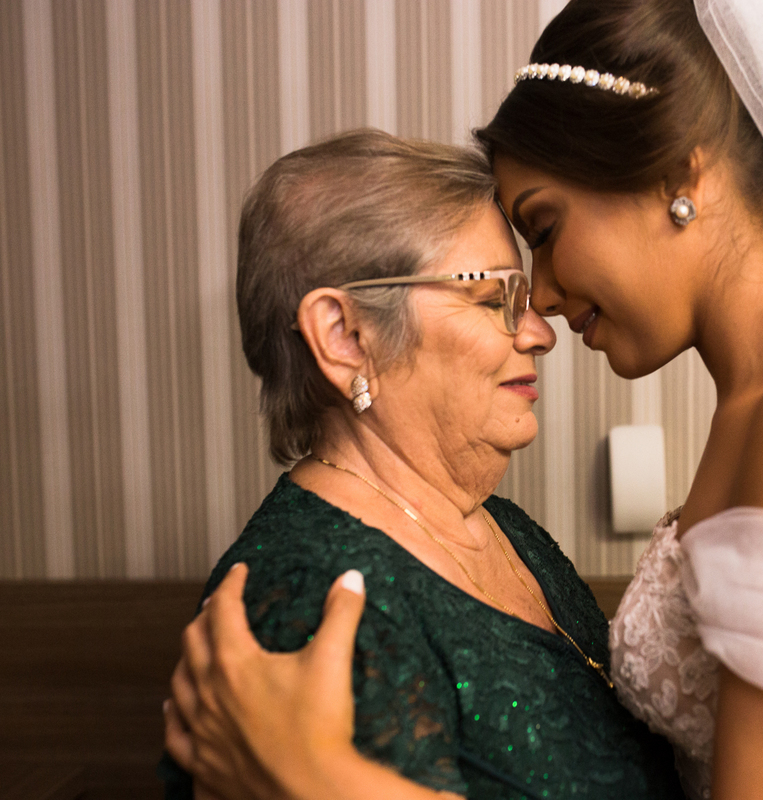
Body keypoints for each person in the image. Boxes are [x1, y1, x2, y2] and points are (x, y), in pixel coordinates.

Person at [166, 1, 763, 798]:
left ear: (682, 171)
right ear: (341, 336)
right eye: (502, 282)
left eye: (543, 231)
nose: (543, 304)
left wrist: (322, 780)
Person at [160, 128, 684, 799]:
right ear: (346, 337)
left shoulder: (505, 527)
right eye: (496, 298)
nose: (539, 332)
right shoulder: (313, 598)